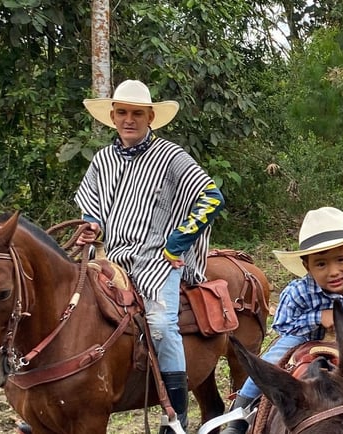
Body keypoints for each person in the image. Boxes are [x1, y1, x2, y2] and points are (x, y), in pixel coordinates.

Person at [76, 79, 224, 433]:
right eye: (123, 112)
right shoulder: (102, 160)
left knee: (161, 324)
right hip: (114, 257)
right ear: (113, 117)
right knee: (75, 304)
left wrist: (179, 242)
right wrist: (91, 228)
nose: (129, 119)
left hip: (158, 259)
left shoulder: (171, 157)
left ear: (151, 117)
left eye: (137, 113)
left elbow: (211, 196)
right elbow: (93, 209)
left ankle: (175, 416)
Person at [220, 207, 343, 434]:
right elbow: (283, 324)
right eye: (321, 264)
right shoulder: (297, 292)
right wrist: (318, 318)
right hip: (301, 336)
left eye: (341, 260)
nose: (333, 271)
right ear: (307, 266)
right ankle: (238, 418)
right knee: (267, 366)